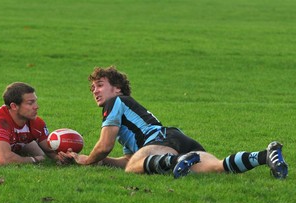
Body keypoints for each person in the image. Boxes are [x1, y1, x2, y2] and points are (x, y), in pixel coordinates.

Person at [70, 66, 288, 179]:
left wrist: (85, 160)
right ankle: (265, 155)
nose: (95, 91)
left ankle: (175, 162)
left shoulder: (115, 102)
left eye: (99, 85)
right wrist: (102, 162)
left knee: (135, 168)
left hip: (160, 141)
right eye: (92, 89)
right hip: (175, 139)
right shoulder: (128, 112)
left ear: (117, 88)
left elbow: (105, 146)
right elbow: (129, 159)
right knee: (216, 167)